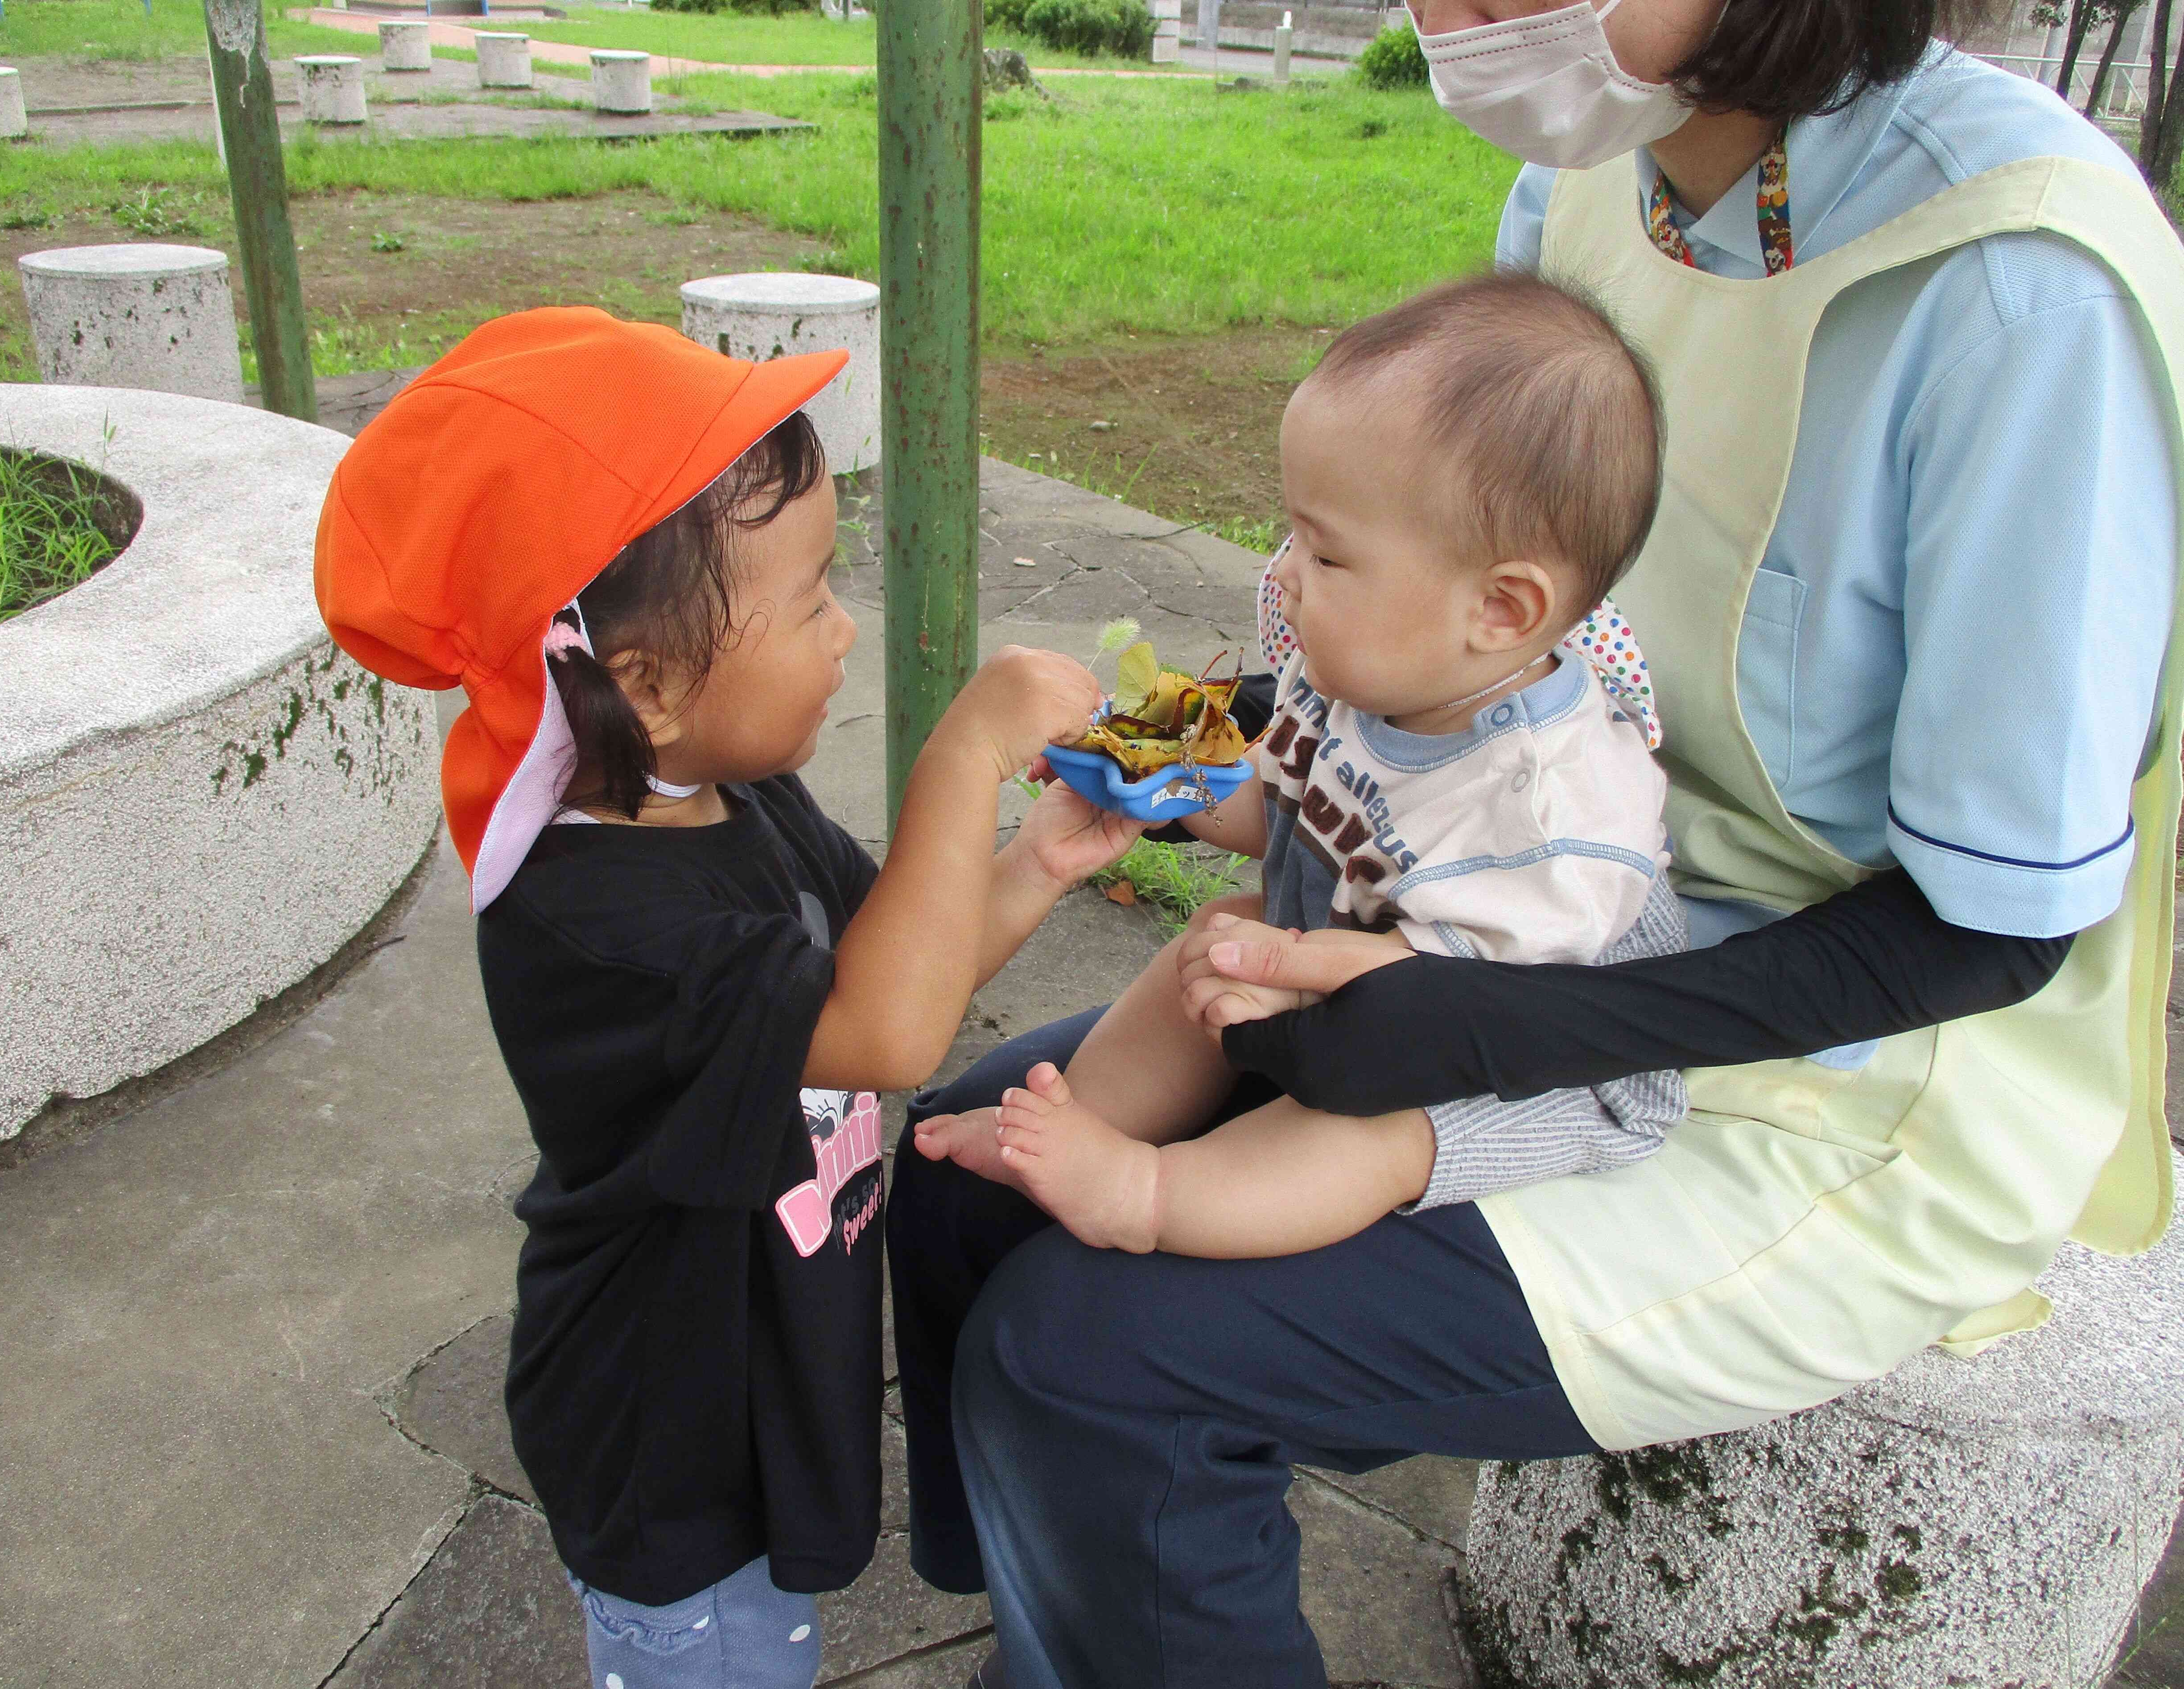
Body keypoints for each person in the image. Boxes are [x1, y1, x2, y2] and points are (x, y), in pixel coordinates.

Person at [886, 3, 2184, 1685]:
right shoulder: (1593, 174)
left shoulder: (2016, 295)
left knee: (1097, 1355)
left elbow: (1994, 931)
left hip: (1828, 1076)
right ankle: (1074, 1629)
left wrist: (1485, 1023)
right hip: (1480, 914)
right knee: (966, 1167)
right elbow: (1453, 622)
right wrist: (1180, 741)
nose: (1458, 11)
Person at [312, 308, 1138, 1689]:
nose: (842, 627)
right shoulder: (598, 925)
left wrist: (1033, 862)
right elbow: (888, 1031)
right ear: (645, 682)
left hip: (761, 1370)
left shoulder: (721, 787)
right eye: (810, 598)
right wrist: (961, 754)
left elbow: (892, 959)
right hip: (664, 1436)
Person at [915, 273, 1689, 1259]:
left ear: (1499, 610)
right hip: (1361, 965)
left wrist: (1297, 992)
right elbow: (1281, 813)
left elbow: (1464, 1013)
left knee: (1371, 1130)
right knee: (1223, 928)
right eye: (1292, 535)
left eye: (1325, 558)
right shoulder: (1377, 674)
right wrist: (1164, 778)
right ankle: (1092, 1119)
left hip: (1539, 1063)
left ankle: (1151, 1193)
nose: (1280, 573)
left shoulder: (1552, 813)